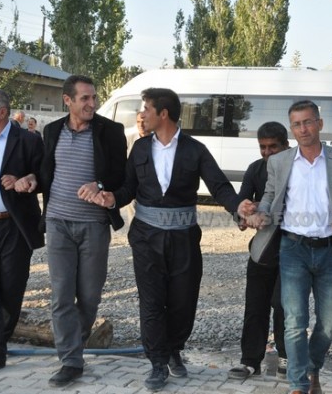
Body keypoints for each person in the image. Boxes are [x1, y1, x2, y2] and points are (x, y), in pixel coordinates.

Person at [94, 87, 254, 392]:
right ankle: (157, 362)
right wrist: (112, 198)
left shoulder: (195, 150)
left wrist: (238, 207)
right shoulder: (140, 148)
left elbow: (219, 186)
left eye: (146, 109)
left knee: (183, 301)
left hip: (184, 239)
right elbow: (128, 188)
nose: (142, 114)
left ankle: (173, 349)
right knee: (151, 301)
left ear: (163, 113)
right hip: (146, 238)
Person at [246, 100, 332, 394]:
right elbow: (269, 196)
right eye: (297, 124)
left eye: (308, 122)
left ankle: (311, 366)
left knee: (330, 321)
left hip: (330, 250)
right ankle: (298, 385)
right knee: (295, 321)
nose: (303, 129)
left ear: (319, 123)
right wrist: (262, 213)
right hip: (293, 248)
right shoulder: (280, 162)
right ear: (291, 128)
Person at [39, 75, 127, 387]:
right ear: (68, 100)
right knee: (62, 295)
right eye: (85, 98)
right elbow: (46, 171)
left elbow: (121, 175)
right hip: (58, 223)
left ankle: (75, 345)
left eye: (94, 97)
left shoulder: (111, 131)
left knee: (89, 296)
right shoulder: (52, 131)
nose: (92, 103)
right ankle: (71, 360)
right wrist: (28, 180)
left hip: (94, 225)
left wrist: (99, 184)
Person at [0, 88, 44, 376]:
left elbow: (44, 176)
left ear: (2, 112)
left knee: (11, 290)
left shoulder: (28, 140)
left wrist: (27, 179)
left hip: (14, 226)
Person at [228, 122, 290, 380]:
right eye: (262, 147)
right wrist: (245, 214)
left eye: (272, 147)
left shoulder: (297, 168)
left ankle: (287, 357)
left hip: (292, 250)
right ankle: (250, 360)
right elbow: (240, 206)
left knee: (284, 305)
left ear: (286, 146)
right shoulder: (255, 169)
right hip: (262, 250)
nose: (267, 152)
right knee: (255, 305)